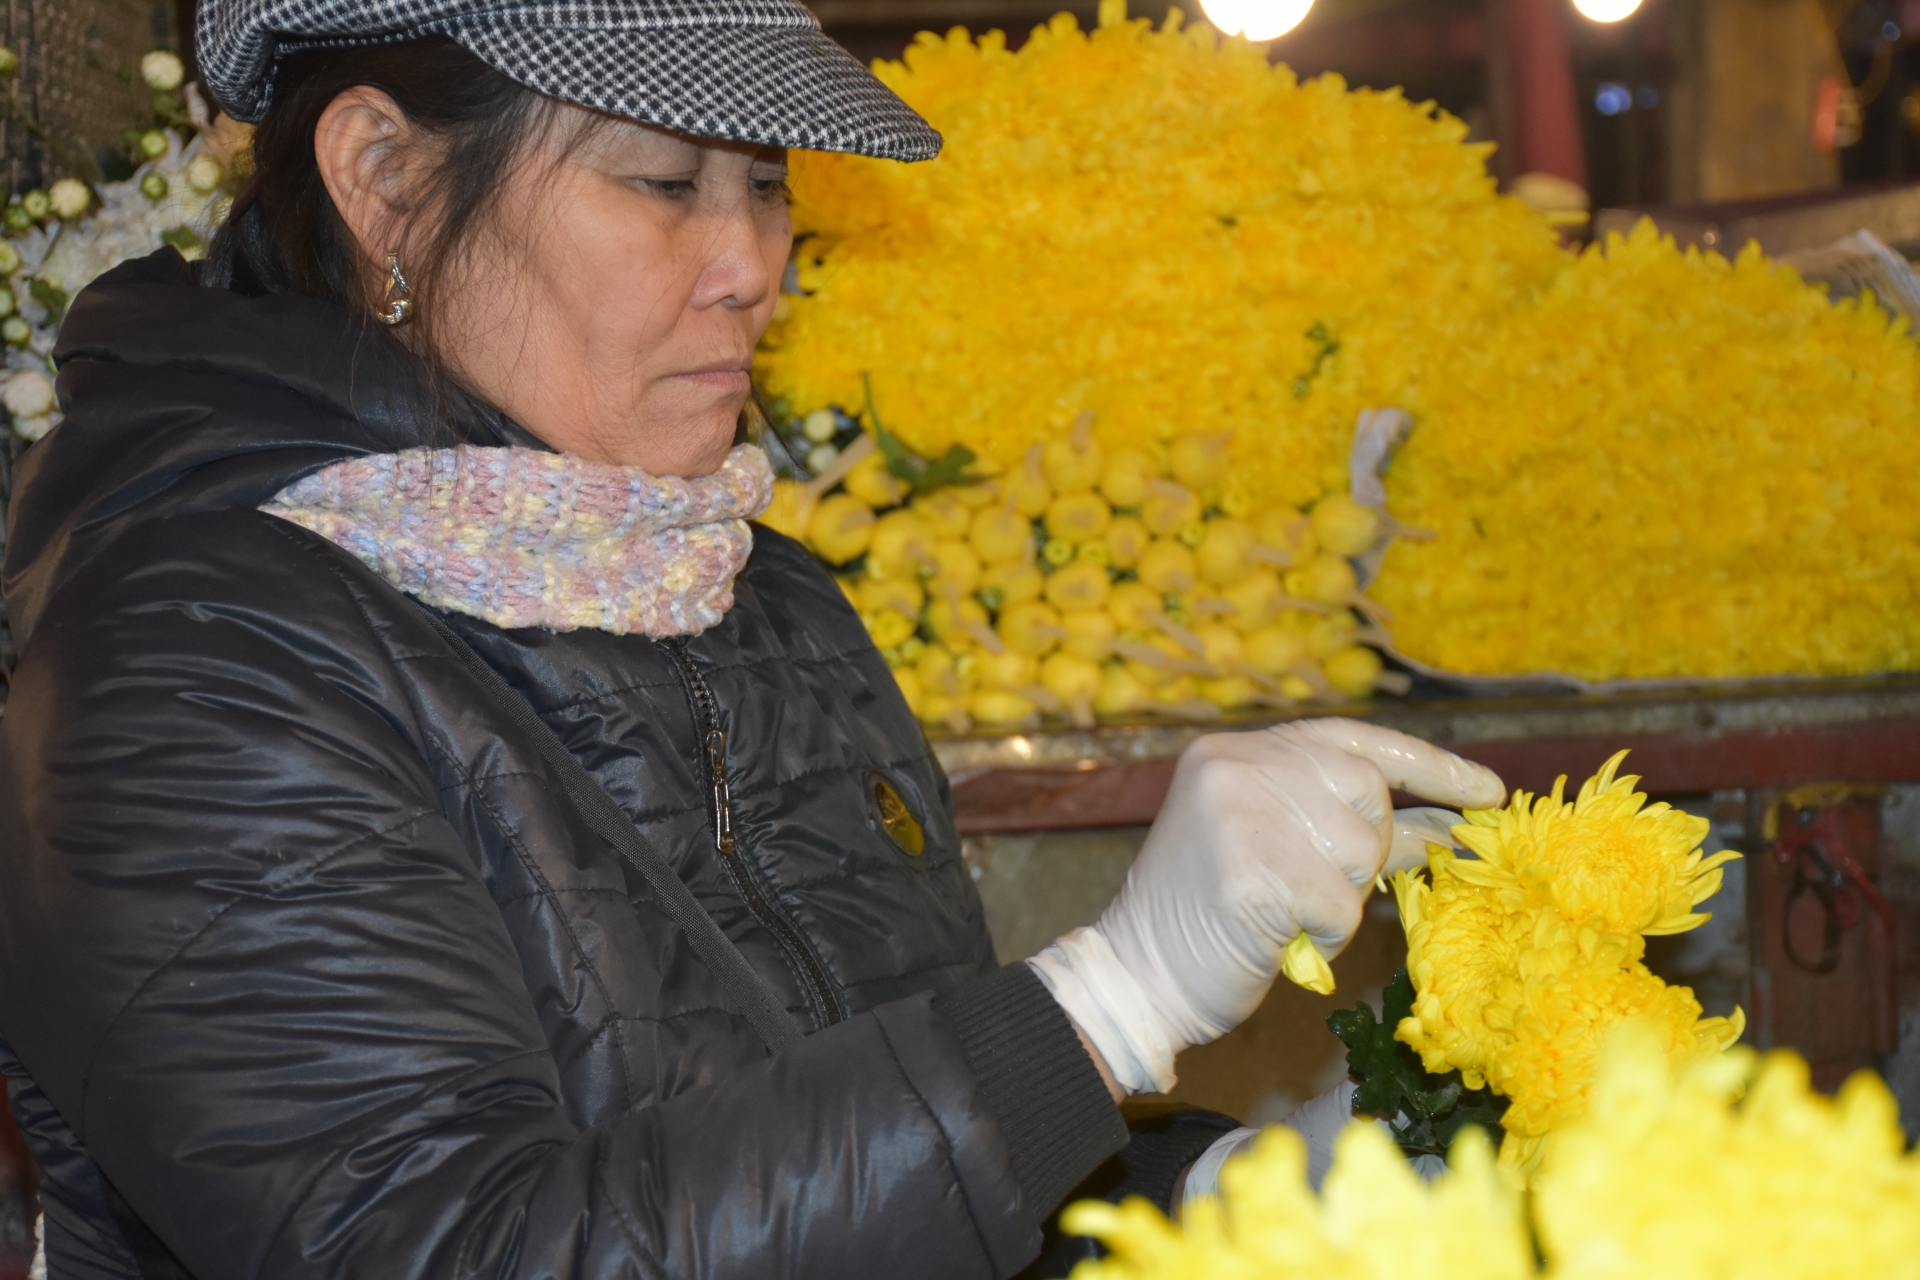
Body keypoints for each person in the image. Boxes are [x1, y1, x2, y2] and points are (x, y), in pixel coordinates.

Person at [0, 0, 1505, 1275]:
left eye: (767, 184)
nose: (752, 266)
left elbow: (904, 1190)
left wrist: (1236, 1208)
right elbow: (461, 1245)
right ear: (385, 181)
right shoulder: (194, 664)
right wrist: (1114, 1003)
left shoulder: (757, 590)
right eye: (664, 182)